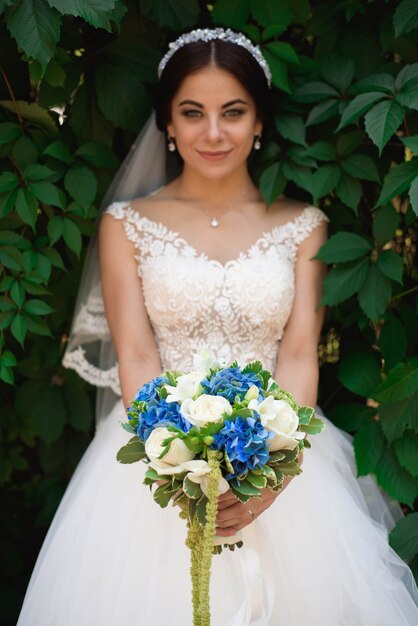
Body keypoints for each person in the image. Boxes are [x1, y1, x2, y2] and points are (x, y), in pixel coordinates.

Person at [17, 28, 418, 626]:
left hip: (283, 454)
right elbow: (136, 352)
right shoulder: (125, 225)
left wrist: (271, 478)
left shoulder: (305, 225)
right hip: (157, 453)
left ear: (258, 122)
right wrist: (176, 467)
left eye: (233, 112)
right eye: (192, 112)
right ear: (168, 125)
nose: (213, 132)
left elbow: (301, 355)